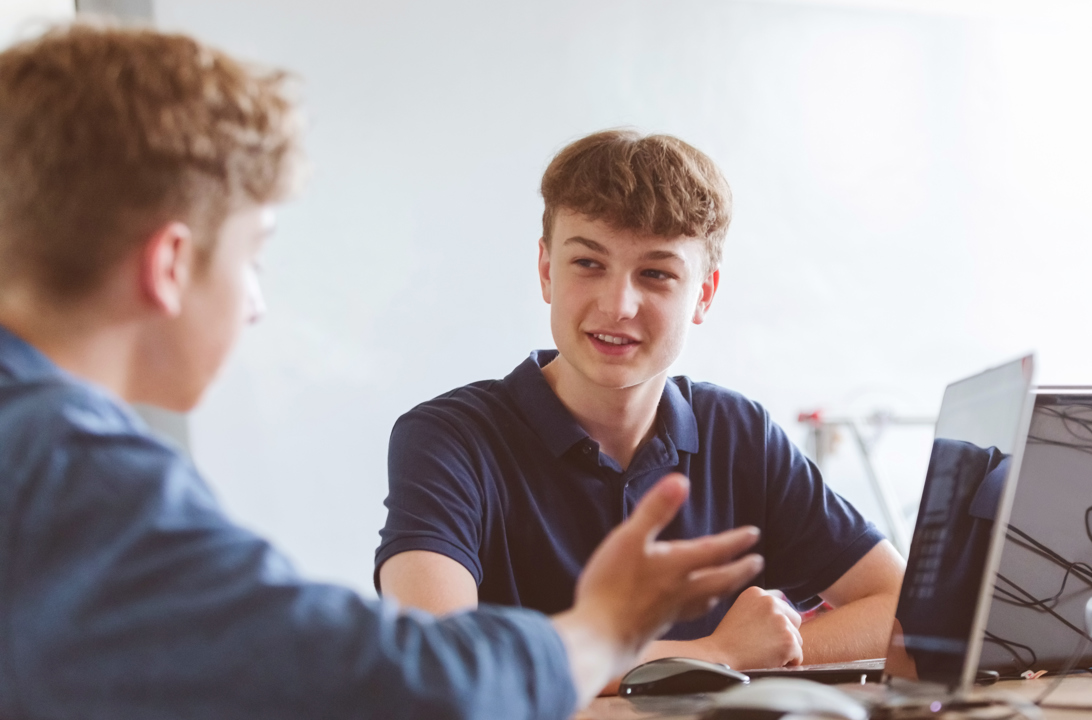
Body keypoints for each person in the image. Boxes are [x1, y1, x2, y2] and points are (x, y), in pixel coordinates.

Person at [0, 24, 767, 719]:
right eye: (254, 256)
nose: (257, 302)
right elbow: (397, 686)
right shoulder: (66, 467)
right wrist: (606, 626)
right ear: (170, 264)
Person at [377, 130, 906, 677]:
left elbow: (901, 606)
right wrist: (713, 657)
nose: (617, 304)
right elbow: (437, 665)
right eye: (588, 263)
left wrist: (769, 651)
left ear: (703, 294)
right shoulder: (449, 438)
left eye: (656, 274)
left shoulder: (737, 432)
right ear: (546, 271)